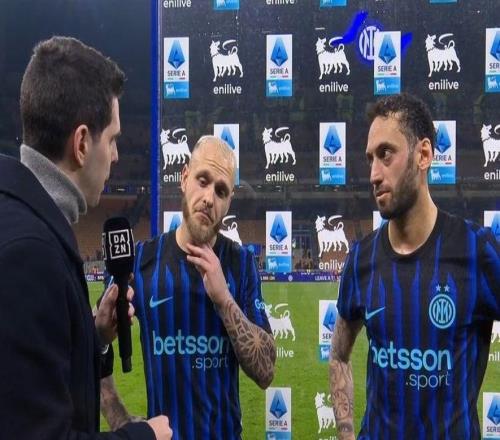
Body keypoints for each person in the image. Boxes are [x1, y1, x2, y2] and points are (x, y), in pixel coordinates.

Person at [0, 36, 171, 439]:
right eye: (112, 139)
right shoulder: (29, 253)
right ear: (81, 144)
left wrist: (91, 336)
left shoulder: (24, 217)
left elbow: (32, 381)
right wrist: (144, 436)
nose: (116, 155)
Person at [329, 93, 500, 440]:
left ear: (423, 155)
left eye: (386, 154)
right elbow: (339, 355)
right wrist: (346, 433)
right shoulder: (361, 258)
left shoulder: (477, 251)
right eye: (370, 159)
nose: (374, 174)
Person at [101, 135, 277, 439]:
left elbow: (266, 372)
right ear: (184, 178)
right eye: (202, 181)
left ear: (229, 201)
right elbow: (94, 345)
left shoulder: (241, 264)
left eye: (221, 191)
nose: (209, 198)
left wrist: (224, 300)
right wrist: (117, 415)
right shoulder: (140, 262)